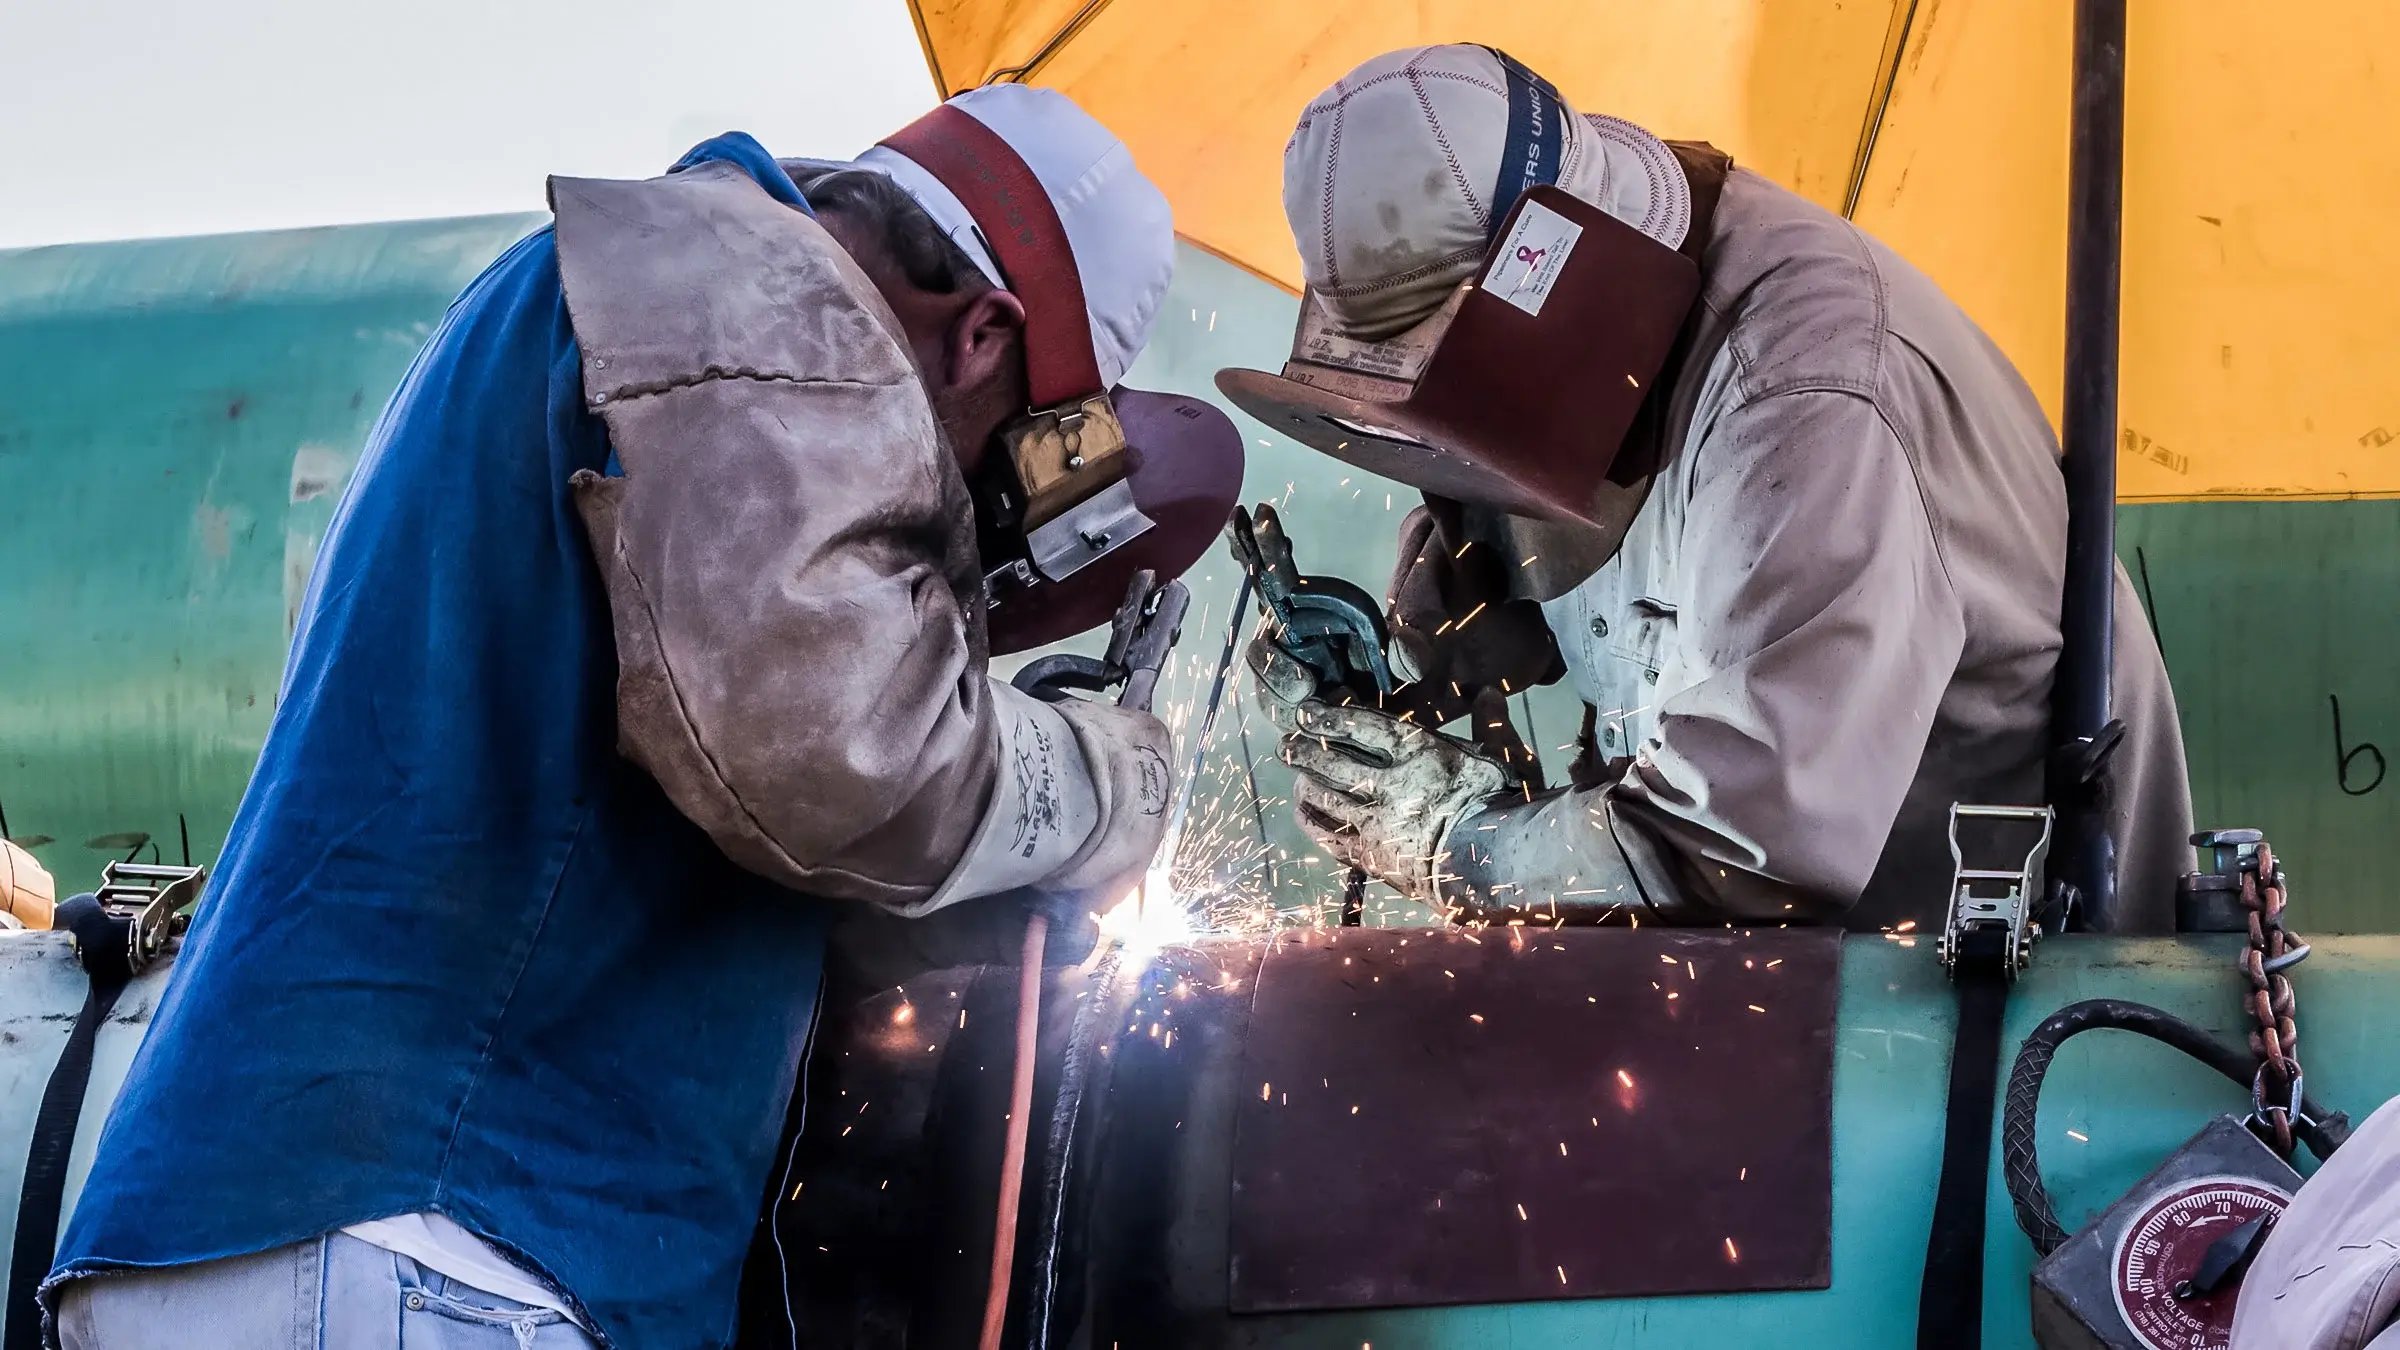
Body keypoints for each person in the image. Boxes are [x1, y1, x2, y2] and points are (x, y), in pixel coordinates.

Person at [43, 85, 1238, 1349]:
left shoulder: (597, 314)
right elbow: (838, 765)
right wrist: (1102, 788)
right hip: (443, 1248)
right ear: (982, 340)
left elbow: (699, 817)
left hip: (252, 1228)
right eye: (1023, 445)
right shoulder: (767, 298)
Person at [1231, 44, 2191, 933]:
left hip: (1985, 976)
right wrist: (1394, 693)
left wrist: (1455, 843)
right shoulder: (1565, 306)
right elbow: (1507, 589)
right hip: (1797, 970)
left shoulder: (1808, 398)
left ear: (1539, 281)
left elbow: (1744, 852)